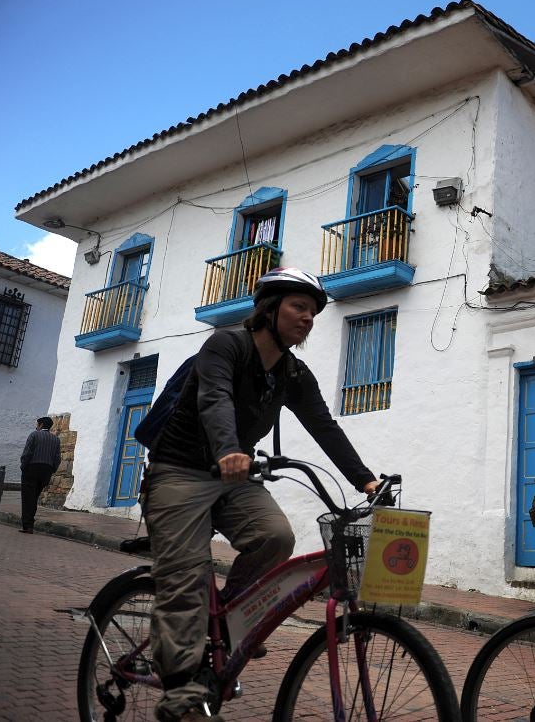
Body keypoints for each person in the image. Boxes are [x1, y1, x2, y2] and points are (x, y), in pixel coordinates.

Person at [142, 267, 379, 722]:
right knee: (187, 581)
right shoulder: (226, 345)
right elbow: (214, 399)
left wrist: (366, 481)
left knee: (275, 535)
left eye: (313, 312)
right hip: (180, 472)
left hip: (233, 478)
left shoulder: (292, 372)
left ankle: (229, 625)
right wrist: (230, 448)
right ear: (269, 310)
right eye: (298, 307)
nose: (308, 318)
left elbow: (324, 426)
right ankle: (180, 695)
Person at [19, 416, 61, 533]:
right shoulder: (56, 439)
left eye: (37, 424)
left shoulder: (34, 435)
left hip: (32, 468)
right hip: (46, 471)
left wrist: (23, 466)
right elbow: (57, 458)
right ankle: (30, 523)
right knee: (34, 497)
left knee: (28, 498)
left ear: (41, 425)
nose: (36, 426)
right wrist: (52, 470)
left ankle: (27, 525)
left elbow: (27, 452)